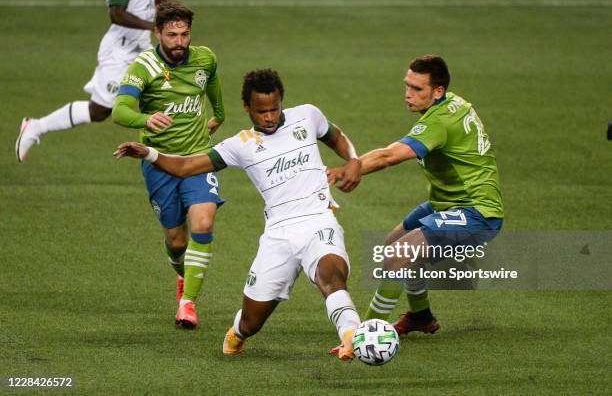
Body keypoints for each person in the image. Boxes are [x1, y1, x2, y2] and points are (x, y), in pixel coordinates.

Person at [114, 69, 362, 360]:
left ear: (282, 101)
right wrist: (149, 154)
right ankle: (237, 334)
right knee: (251, 322)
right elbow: (184, 167)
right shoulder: (240, 145)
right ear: (247, 107)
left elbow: (336, 136)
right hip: (278, 236)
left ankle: (351, 336)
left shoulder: (307, 115)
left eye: (274, 109)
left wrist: (353, 160)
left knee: (331, 276)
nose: (269, 117)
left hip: (319, 221)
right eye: (261, 111)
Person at [328, 54, 504, 336]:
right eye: (407, 86)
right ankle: (421, 316)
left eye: (417, 89)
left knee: (399, 254)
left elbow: (388, 156)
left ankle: (365, 335)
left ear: (438, 92)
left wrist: (344, 170)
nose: (408, 95)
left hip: (477, 213)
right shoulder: (452, 104)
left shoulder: (440, 122)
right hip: (447, 204)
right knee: (394, 243)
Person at [111, 0, 225, 329]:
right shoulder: (142, 67)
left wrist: (219, 114)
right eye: (172, 35)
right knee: (177, 241)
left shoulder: (205, 58)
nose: (179, 42)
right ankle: (182, 274)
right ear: (158, 33)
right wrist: (147, 118)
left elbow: (213, 82)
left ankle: (187, 304)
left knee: (203, 222)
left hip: (198, 157)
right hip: (159, 162)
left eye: (185, 34)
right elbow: (120, 111)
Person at [16, 0, 164, 163]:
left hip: (140, 47)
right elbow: (117, 14)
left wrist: (169, 5)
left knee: (166, 88)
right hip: (119, 53)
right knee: (99, 111)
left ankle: (173, 154)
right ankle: (36, 127)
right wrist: (154, 27)